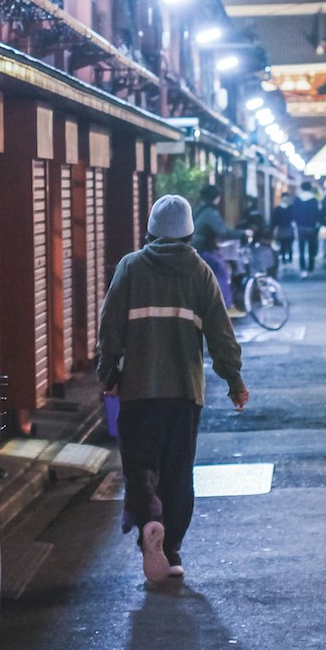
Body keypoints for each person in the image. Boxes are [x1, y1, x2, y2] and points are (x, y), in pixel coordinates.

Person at [97, 194, 249, 584]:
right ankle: (173, 549)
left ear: (150, 229)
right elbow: (220, 333)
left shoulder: (130, 267)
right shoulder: (200, 272)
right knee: (178, 473)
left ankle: (150, 520)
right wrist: (234, 381)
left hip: (138, 392)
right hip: (184, 394)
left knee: (140, 466)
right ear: (189, 232)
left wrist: (108, 373)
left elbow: (110, 326)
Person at [191, 184, 243, 310]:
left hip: (195, 248)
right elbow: (222, 230)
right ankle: (225, 306)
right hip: (203, 248)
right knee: (220, 272)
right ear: (216, 198)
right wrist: (242, 234)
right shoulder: (210, 212)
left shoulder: (199, 209)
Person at [293, 182, 321, 275]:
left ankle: (303, 267)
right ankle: (311, 267)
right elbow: (317, 213)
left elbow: (294, 213)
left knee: (301, 248)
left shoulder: (297, 199)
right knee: (311, 247)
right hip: (311, 227)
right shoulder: (314, 200)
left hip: (300, 226)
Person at [270, 191, 296, 267]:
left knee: (289, 244)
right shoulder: (277, 209)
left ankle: (290, 258)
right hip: (281, 228)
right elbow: (274, 220)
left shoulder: (291, 208)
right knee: (283, 244)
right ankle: (284, 259)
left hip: (288, 227)